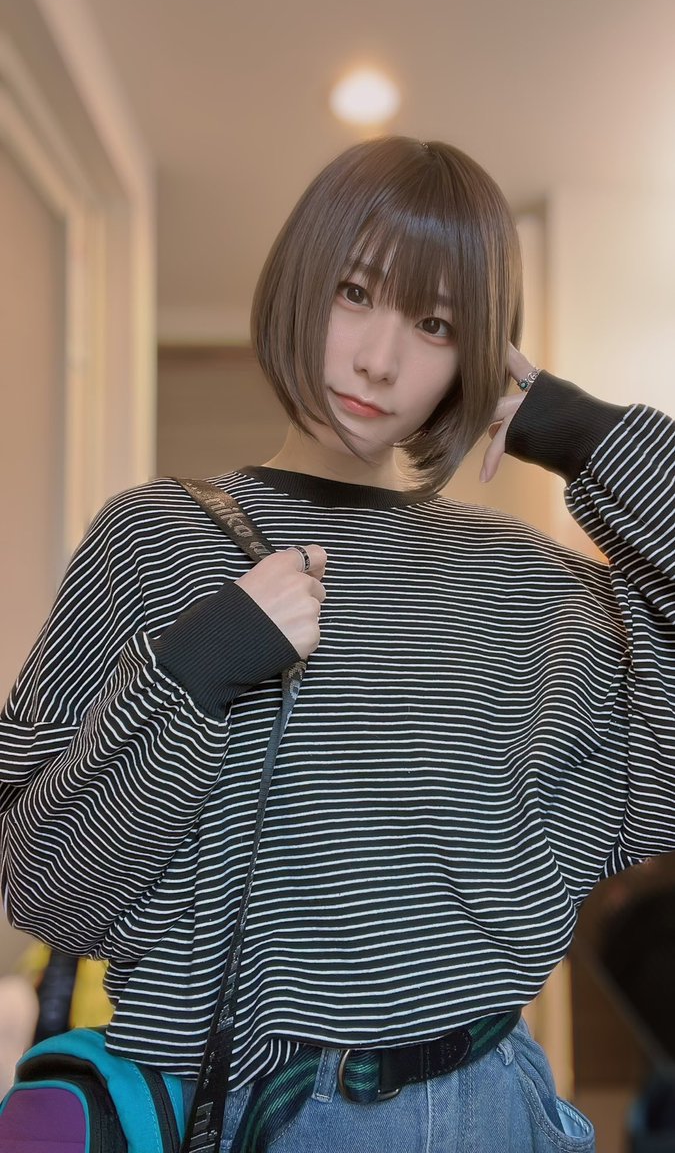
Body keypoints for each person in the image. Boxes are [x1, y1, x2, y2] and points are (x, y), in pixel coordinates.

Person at [1, 135, 673, 1153]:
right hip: (257, 1111)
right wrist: (195, 673)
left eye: (436, 323)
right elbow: (46, 885)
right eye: (355, 293)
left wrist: (587, 434)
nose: (379, 359)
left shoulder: (529, 585)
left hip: (495, 1106)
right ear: (300, 279)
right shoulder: (154, 538)